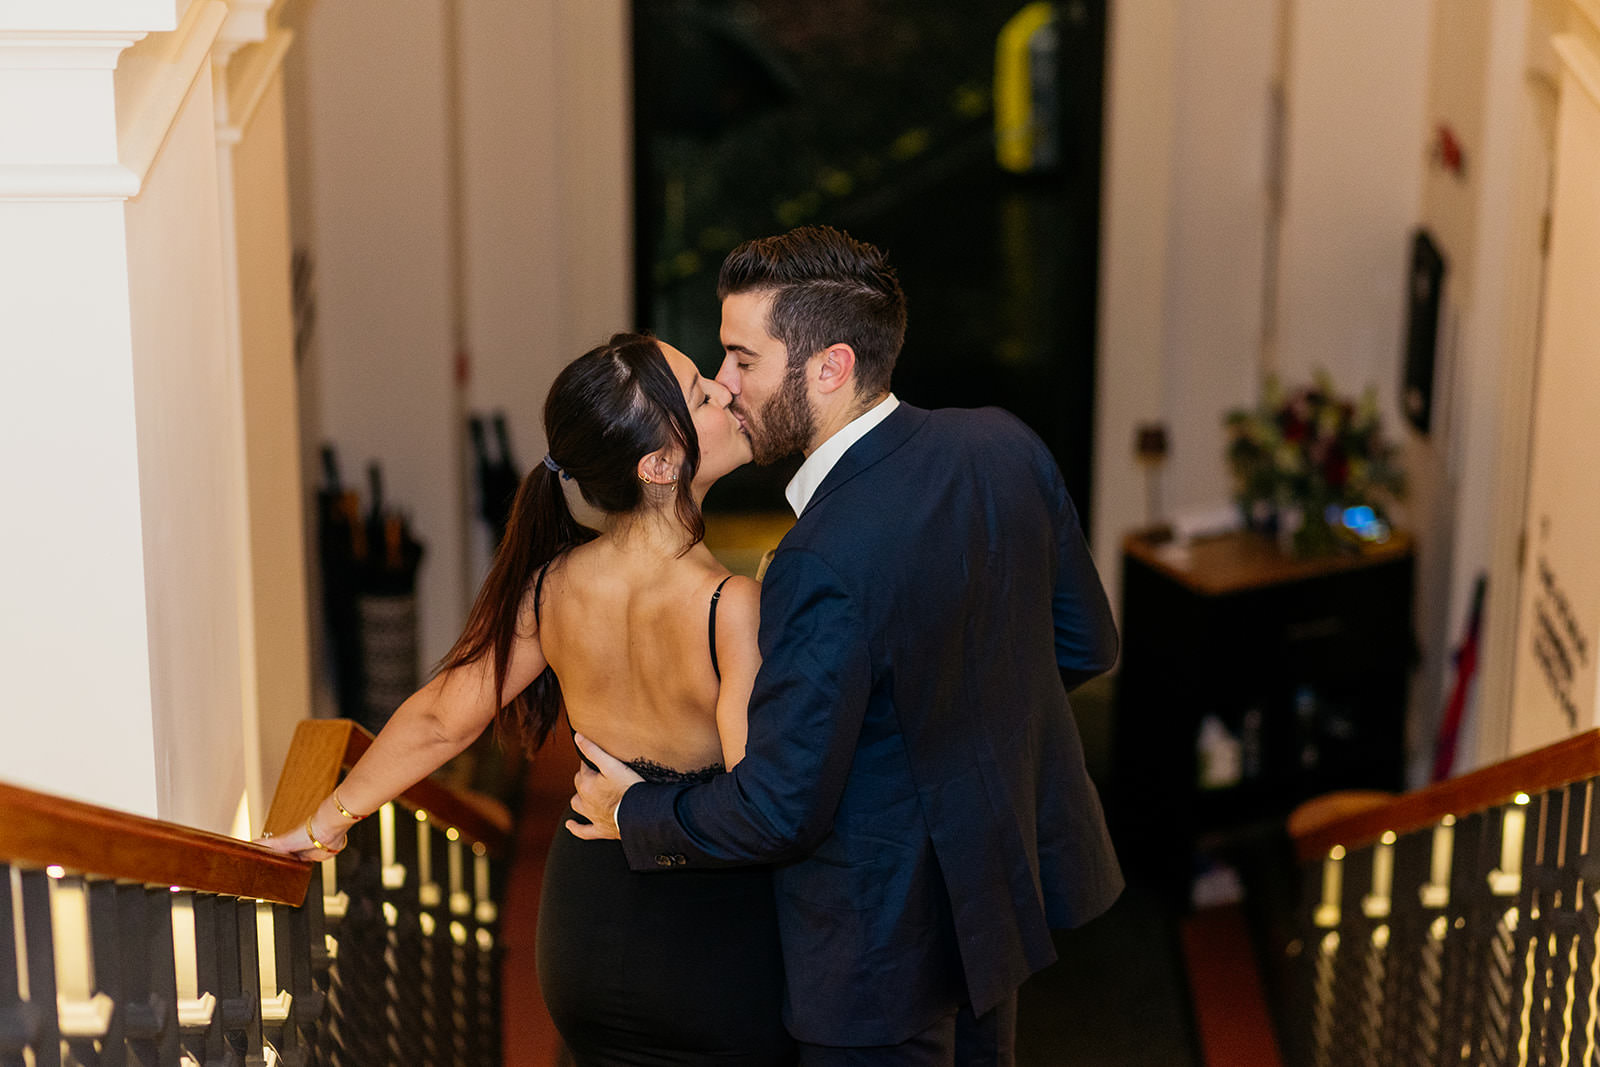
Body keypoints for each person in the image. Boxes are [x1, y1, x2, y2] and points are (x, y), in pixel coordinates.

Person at [570, 226, 1123, 1065]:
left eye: (742, 359)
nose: (723, 383)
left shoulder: (816, 557)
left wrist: (633, 811)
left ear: (829, 367)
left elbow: (778, 809)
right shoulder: (1004, 444)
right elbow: (1086, 642)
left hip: (874, 955)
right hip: (991, 907)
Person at [258, 333, 796, 1066]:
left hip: (581, 934)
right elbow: (760, 803)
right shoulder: (731, 606)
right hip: (704, 937)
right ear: (660, 465)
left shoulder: (552, 586)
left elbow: (442, 717)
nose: (727, 392)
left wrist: (325, 824)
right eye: (703, 395)